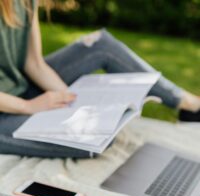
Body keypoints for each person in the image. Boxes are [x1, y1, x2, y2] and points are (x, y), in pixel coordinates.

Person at [0, 0, 200, 158]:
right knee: (94, 139)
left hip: (19, 88)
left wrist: (72, 100)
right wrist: (27, 106)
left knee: (100, 45)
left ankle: (192, 106)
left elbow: (33, 63)